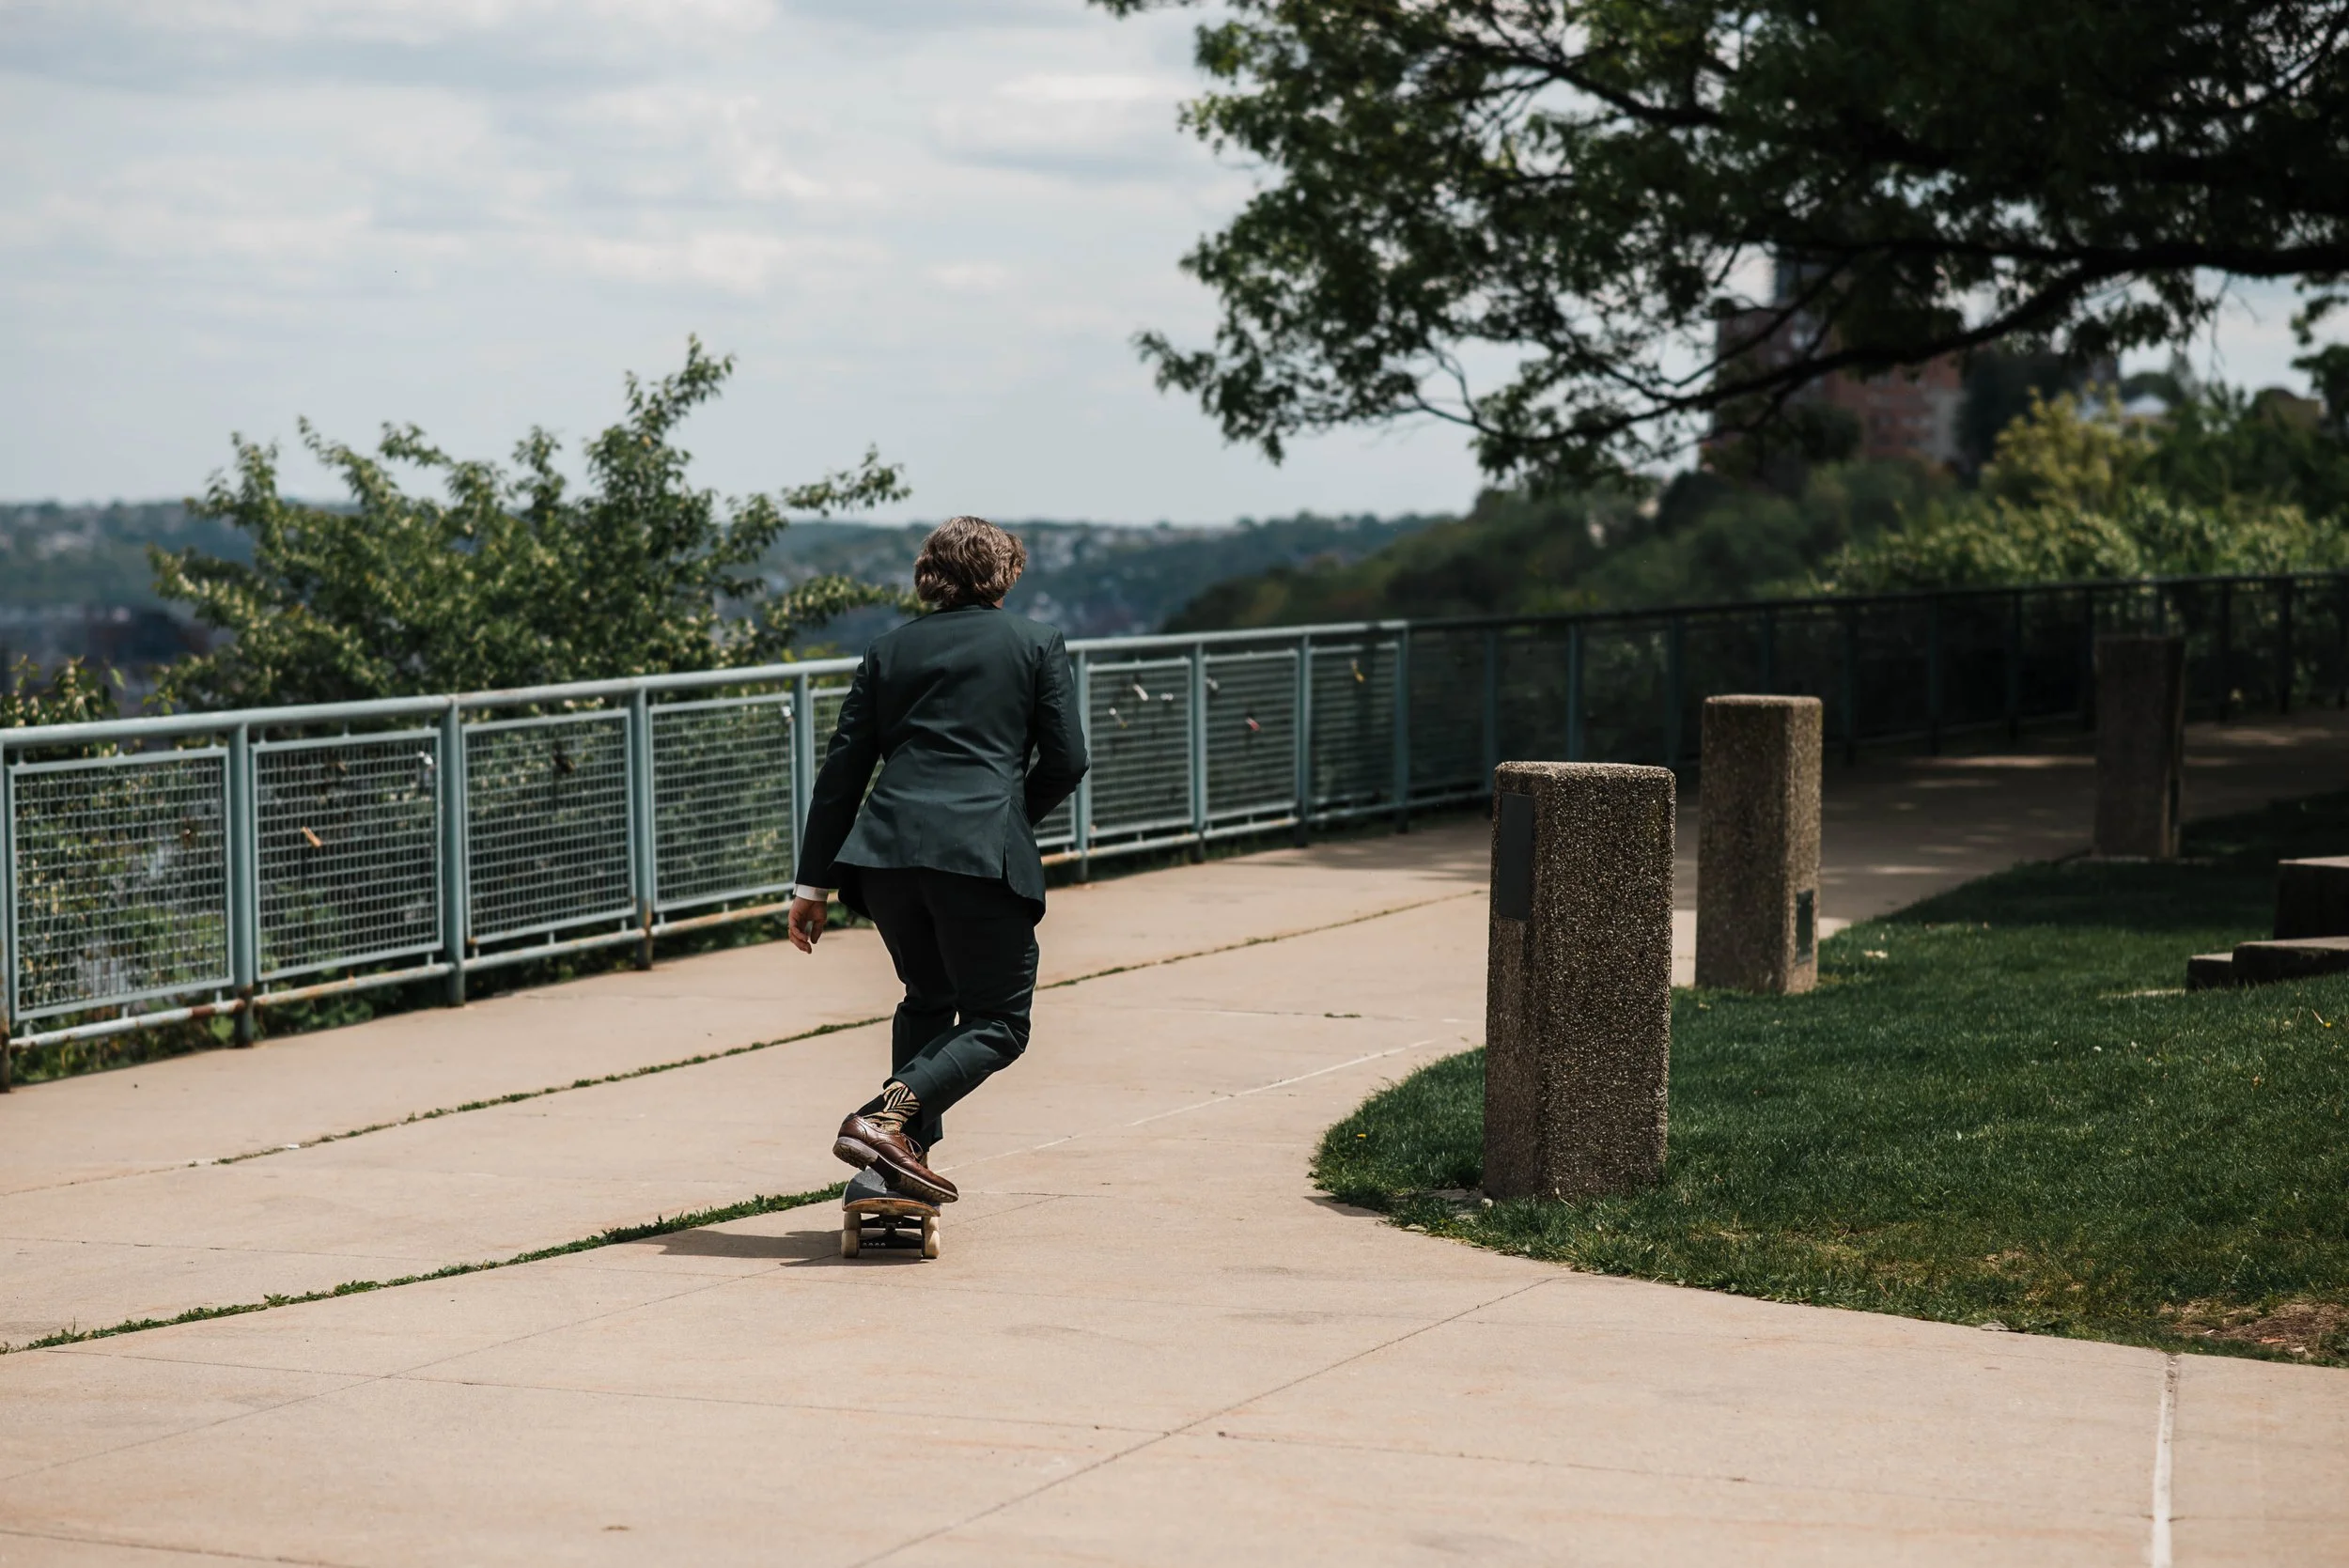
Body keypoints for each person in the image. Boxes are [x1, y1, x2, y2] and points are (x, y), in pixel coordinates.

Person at [786, 516, 1087, 1203]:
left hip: (886, 855)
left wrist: (814, 885)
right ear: (1005, 575)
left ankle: (896, 1154)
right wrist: (1008, 824)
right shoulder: (1036, 643)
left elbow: (842, 773)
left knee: (929, 998)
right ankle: (882, 1122)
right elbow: (1068, 760)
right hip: (978, 857)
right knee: (1001, 1021)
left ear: (930, 572)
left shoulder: (888, 650)